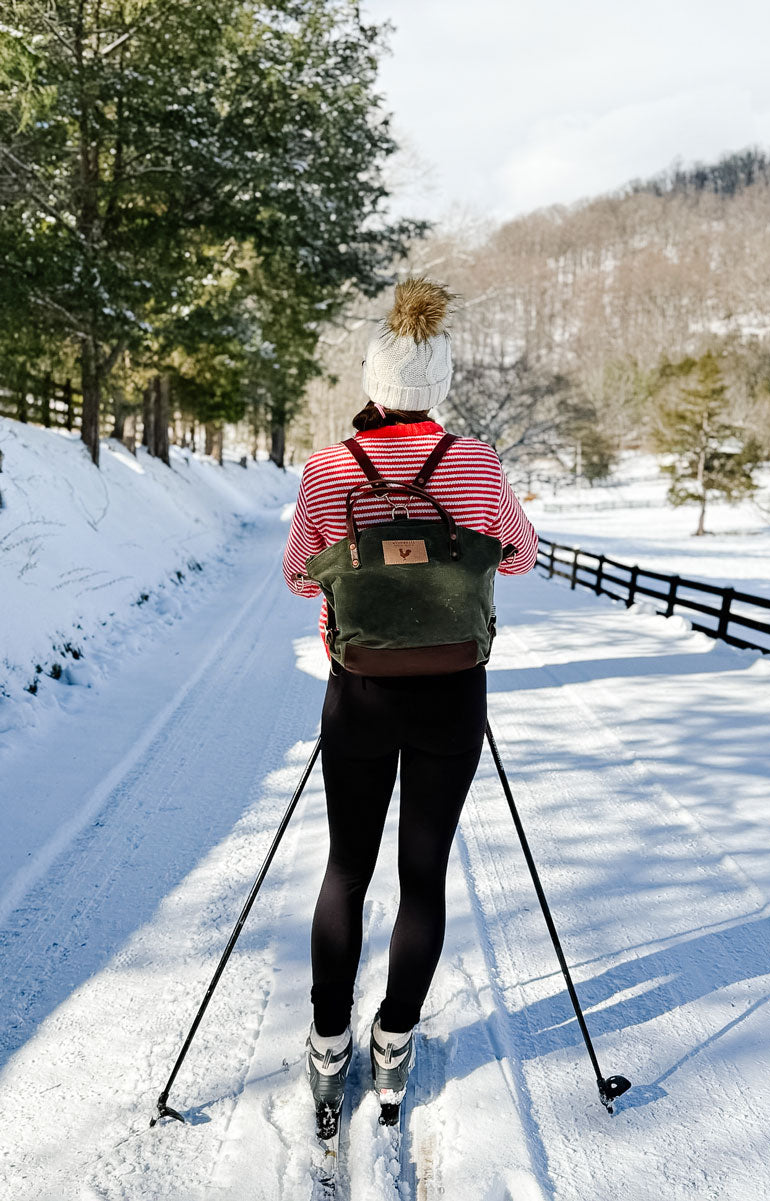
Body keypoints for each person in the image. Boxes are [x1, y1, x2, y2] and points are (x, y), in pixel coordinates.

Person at [282, 278, 537, 1134]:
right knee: (421, 874)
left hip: (359, 693)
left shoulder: (326, 471)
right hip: (452, 693)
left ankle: (326, 1049)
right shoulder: (477, 463)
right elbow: (520, 557)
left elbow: (295, 574)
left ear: (373, 379)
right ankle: (394, 1040)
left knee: (346, 870)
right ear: (443, 382)